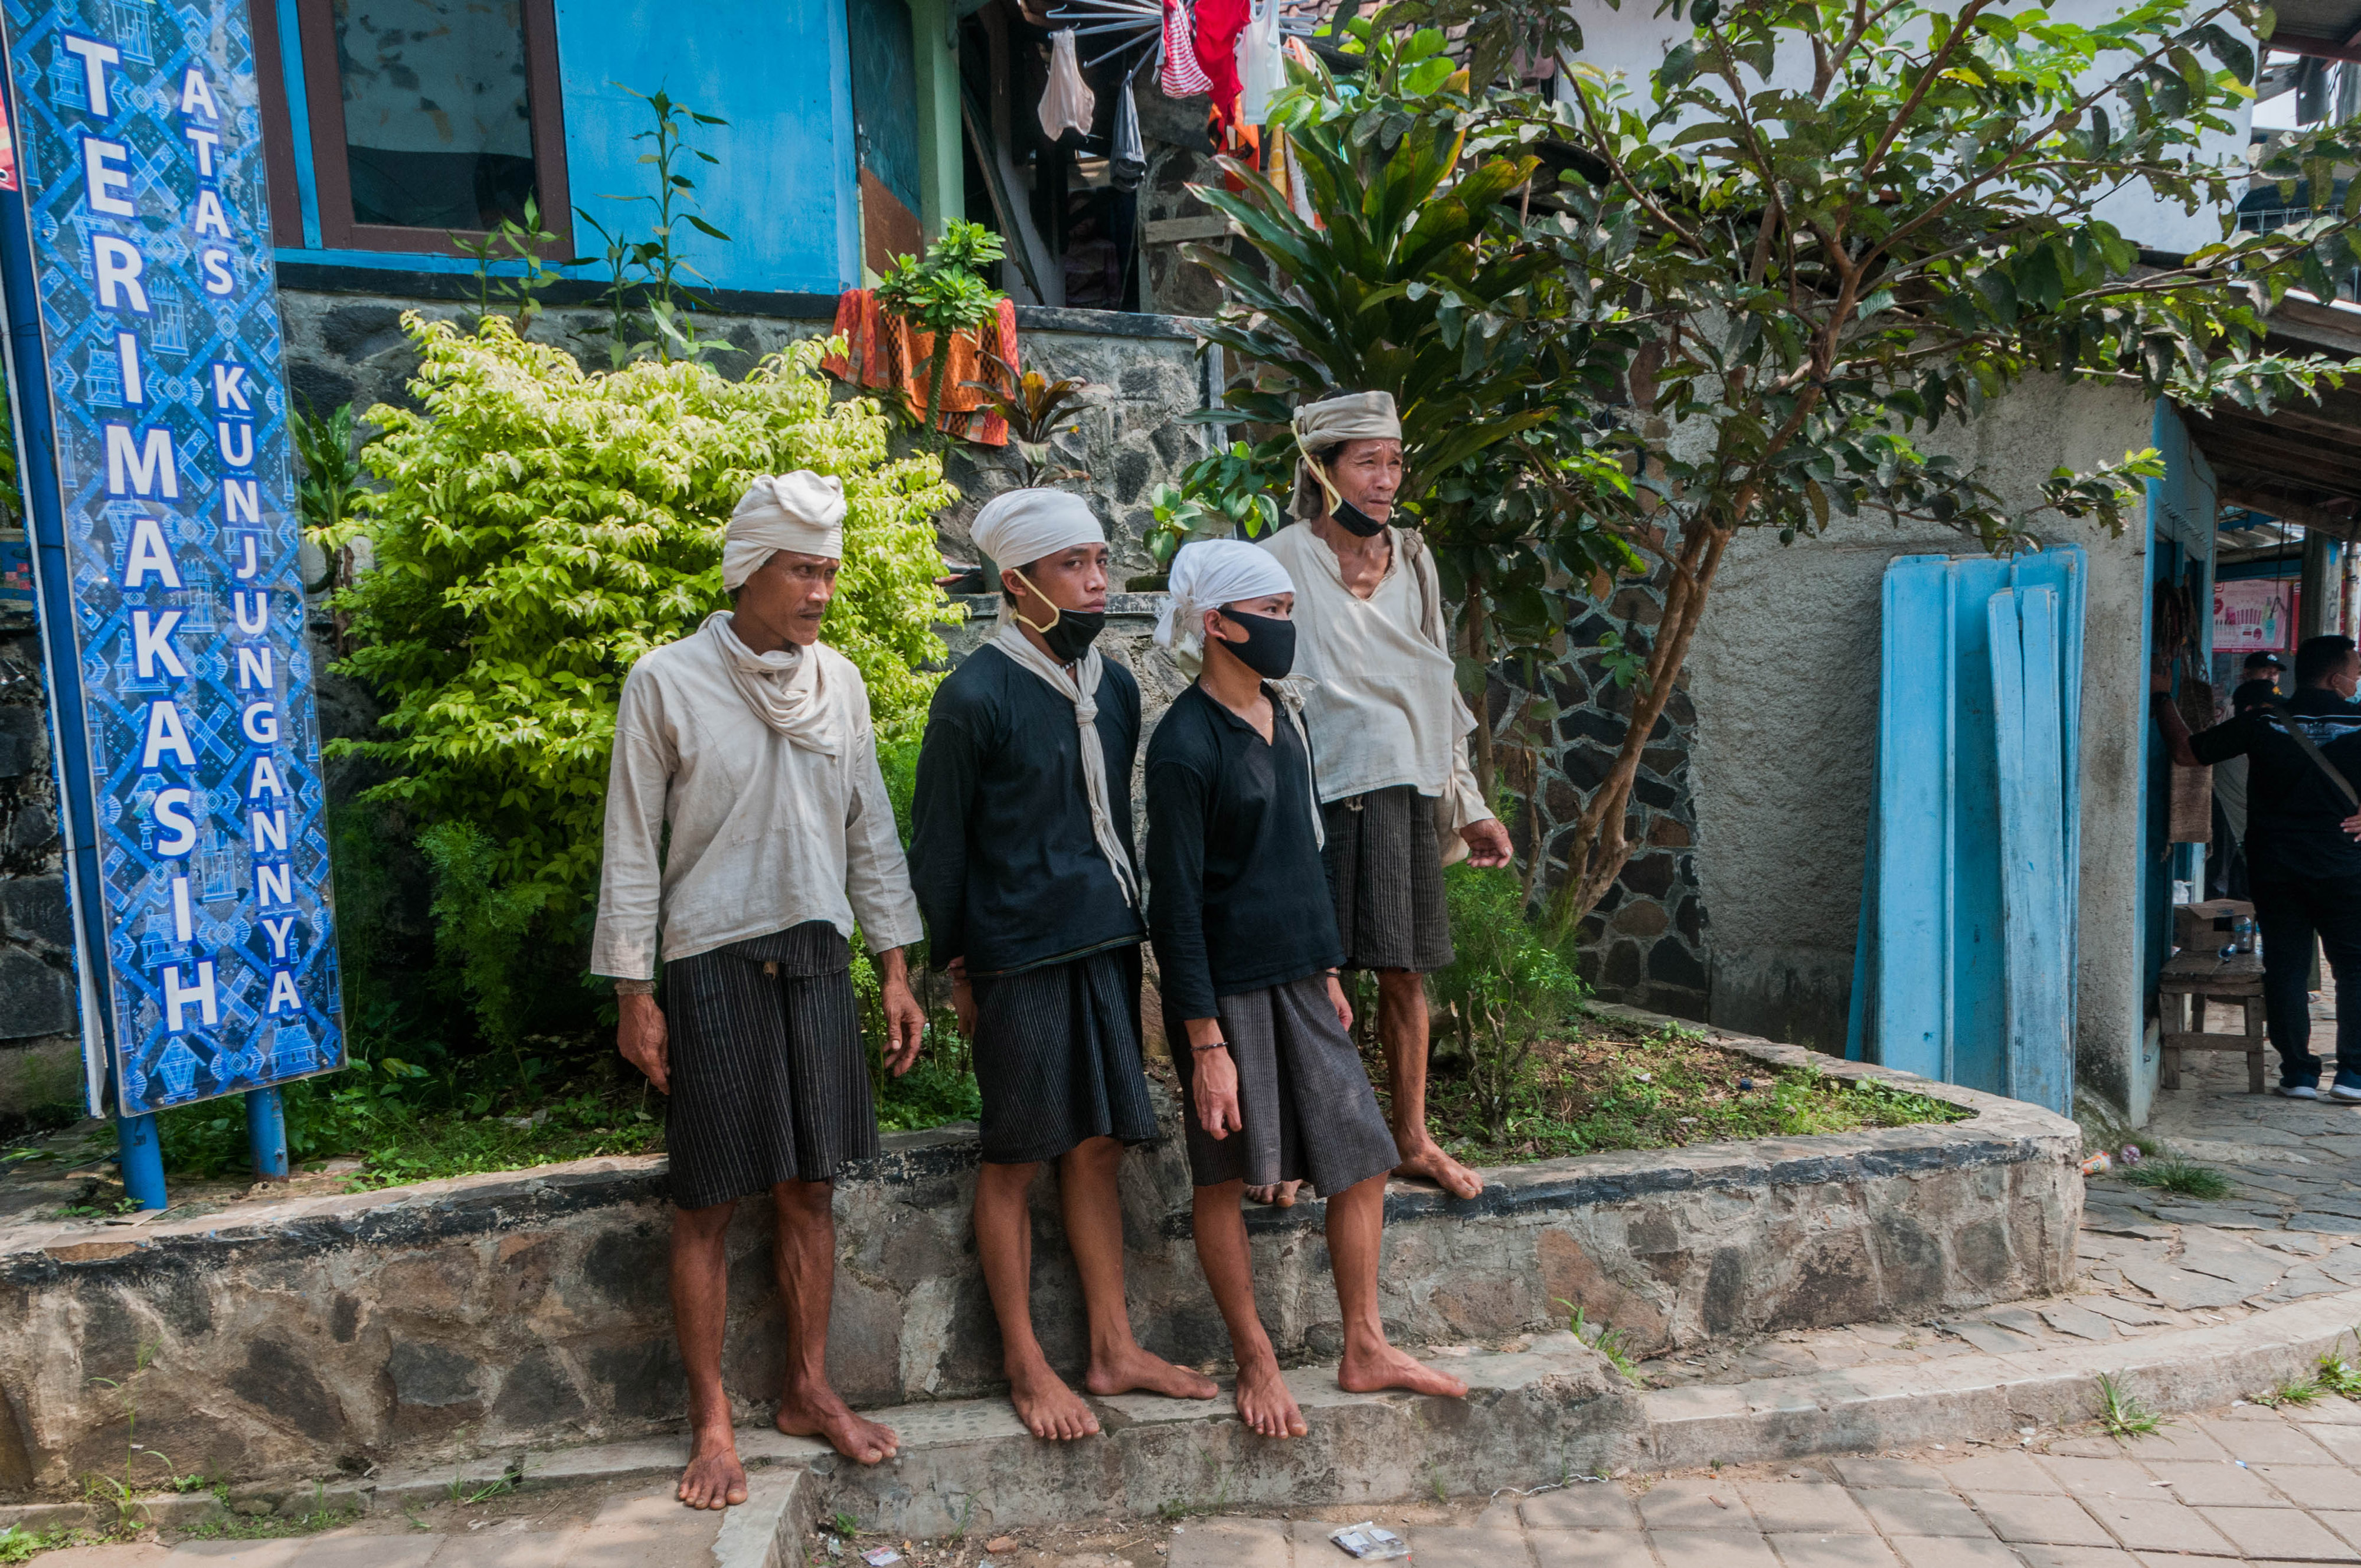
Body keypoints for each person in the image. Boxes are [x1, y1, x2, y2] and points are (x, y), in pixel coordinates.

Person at [590, 472, 928, 1507]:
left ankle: (808, 1389)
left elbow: (869, 830)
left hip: (819, 957)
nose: (820, 588)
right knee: (707, 1200)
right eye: (801, 567)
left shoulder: (843, 681)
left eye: (829, 568)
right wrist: (632, 988)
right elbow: (632, 846)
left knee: (813, 1187)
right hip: (712, 960)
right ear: (749, 570)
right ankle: (712, 1422)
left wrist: (896, 967)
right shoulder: (668, 680)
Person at [908, 488, 1218, 1441]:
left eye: (1099, 561)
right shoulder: (974, 696)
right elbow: (941, 849)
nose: (1098, 582)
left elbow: (1111, 823)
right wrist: (953, 969)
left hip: (1107, 944)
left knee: (1098, 1145)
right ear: (1019, 585)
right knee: (1017, 1156)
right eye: (1075, 566)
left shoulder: (1116, 688)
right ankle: (1024, 1357)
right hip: (1017, 959)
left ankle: (1113, 1346)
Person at [1145, 538, 1470, 1439]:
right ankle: (1255, 1357)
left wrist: (1327, 967)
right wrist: (1205, 1044)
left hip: (1300, 978)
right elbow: (1175, 912)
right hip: (1227, 997)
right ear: (1220, 624)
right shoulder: (1182, 748)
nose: (1289, 630)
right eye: (1276, 614)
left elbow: (1304, 855)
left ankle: (1364, 1344)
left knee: (1363, 1157)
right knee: (1226, 1182)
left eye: (1290, 612)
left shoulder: (1285, 719)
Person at [1254, 390, 1514, 1206]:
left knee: (1404, 973)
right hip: (1315, 792)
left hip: (1405, 787)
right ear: (1321, 468)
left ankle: (1411, 1138)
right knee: (1304, 975)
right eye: (1368, 461)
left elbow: (1437, 686)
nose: (1387, 478)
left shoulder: (1414, 561)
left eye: (1394, 461)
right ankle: (1292, 1149)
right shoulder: (1281, 559)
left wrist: (1467, 799)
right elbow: (1257, 680)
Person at [2156, 633, 2361, 1099]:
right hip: (2346, 866)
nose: (2358, 678)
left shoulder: (2264, 721)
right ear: (2335, 677)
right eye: (2355, 669)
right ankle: (2352, 1075)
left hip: (2276, 866)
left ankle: (2299, 1074)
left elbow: (2188, 752)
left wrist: (2161, 698)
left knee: (2287, 966)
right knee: (2354, 968)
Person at [2210, 654, 2285, 899]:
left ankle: (2242, 929)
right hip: (2228, 804)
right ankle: (2222, 931)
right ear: (2246, 674)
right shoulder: (2231, 708)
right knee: (2222, 876)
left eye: (2275, 672)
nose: (2271, 676)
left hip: (2263, 812)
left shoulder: (2284, 711)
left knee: (2252, 881)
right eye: (2265, 671)